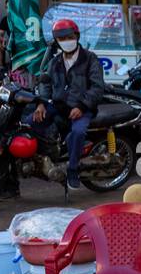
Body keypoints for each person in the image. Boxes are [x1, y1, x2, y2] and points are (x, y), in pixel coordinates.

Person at [32, 19, 104, 191]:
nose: (66, 41)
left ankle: (73, 168)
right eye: (62, 39)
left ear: (76, 36)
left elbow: (97, 87)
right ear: (57, 42)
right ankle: (42, 159)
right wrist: (41, 103)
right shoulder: (55, 61)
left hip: (83, 108)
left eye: (69, 37)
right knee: (29, 122)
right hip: (59, 106)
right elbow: (45, 83)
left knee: (78, 132)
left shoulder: (90, 59)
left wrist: (82, 106)